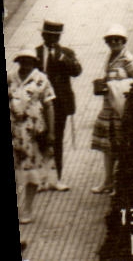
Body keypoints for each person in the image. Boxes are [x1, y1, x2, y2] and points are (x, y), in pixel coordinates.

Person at [91, 25, 133, 195]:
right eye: (110, 39)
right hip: (108, 109)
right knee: (107, 147)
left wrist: (114, 86)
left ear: (123, 41)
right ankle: (108, 181)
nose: (114, 42)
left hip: (121, 110)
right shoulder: (111, 57)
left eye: (117, 39)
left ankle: (120, 184)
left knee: (120, 146)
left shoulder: (128, 59)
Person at [11, 52, 56, 222]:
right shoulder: (11, 78)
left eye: (29, 61)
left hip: (35, 133)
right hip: (15, 132)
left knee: (33, 170)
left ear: (34, 62)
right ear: (18, 62)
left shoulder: (41, 79)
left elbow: (49, 105)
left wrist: (51, 132)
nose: (26, 64)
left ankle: (27, 208)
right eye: (22, 61)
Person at [36, 21, 81, 191]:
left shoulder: (66, 53)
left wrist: (62, 58)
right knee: (40, 139)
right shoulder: (36, 53)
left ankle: (57, 178)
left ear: (59, 37)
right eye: (48, 35)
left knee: (57, 140)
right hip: (40, 105)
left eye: (56, 36)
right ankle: (41, 179)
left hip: (60, 104)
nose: (52, 39)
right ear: (43, 35)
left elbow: (77, 71)